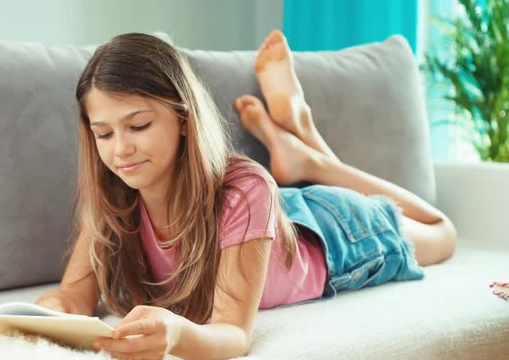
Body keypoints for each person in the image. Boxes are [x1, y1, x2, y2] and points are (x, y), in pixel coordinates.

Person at [35, 30, 457, 359]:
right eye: (103, 133)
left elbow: (234, 334)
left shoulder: (244, 190)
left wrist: (177, 335)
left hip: (329, 236)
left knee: (442, 233)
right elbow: (75, 295)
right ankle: (299, 150)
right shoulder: (114, 193)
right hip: (267, 220)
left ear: (184, 118)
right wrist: (53, 309)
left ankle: (311, 157)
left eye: (139, 126)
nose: (120, 149)